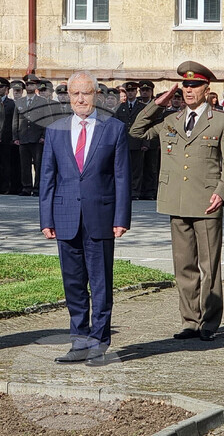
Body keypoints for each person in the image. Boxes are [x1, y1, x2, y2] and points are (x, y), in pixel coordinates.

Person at [130, 61, 224, 342]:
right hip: (176, 202)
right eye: (185, 86)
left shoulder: (222, 121)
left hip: (206, 202)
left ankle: (209, 323)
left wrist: (223, 191)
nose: (189, 91)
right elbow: (137, 132)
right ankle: (190, 321)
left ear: (206, 88)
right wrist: (157, 103)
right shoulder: (170, 120)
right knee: (184, 266)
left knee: (209, 267)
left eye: (195, 85)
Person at [40, 71, 131, 365]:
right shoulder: (55, 130)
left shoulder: (113, 129)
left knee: (101, 282)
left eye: (86, 93)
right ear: (68, 96)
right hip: (65, 216)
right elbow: (47, 179)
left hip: (100, 216)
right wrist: (46, 219)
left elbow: (121, 177)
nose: (80, 99)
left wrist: (121, 218)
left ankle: (99, 342)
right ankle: (78, 340)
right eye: (75, 93)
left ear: (97, 96)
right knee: (73, 282)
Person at [13, 73, 47, 195]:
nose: (29, 87)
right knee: (25, 166)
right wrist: (15, 136)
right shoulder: (20, 102)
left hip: (37, 138)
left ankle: (37, 188)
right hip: (23, 137)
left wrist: (43, 136)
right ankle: (26, 187)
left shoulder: (42, 101)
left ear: (36, 86)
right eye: (27, 84)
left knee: (38, 165)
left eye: (31, 84)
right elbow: (16, 120)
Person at [114, 81, 147, 202]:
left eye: (133, 91)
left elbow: (147, 126)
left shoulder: (142, 107)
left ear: (136, 92)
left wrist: (145, 143)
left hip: (137, 142)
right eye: (128, 91)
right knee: (124, 168)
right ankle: (126, 190)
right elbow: (117, 125)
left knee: (137, 169)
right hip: (124, 142)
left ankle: (135, 191)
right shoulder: (121, 107)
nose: (131, 93)